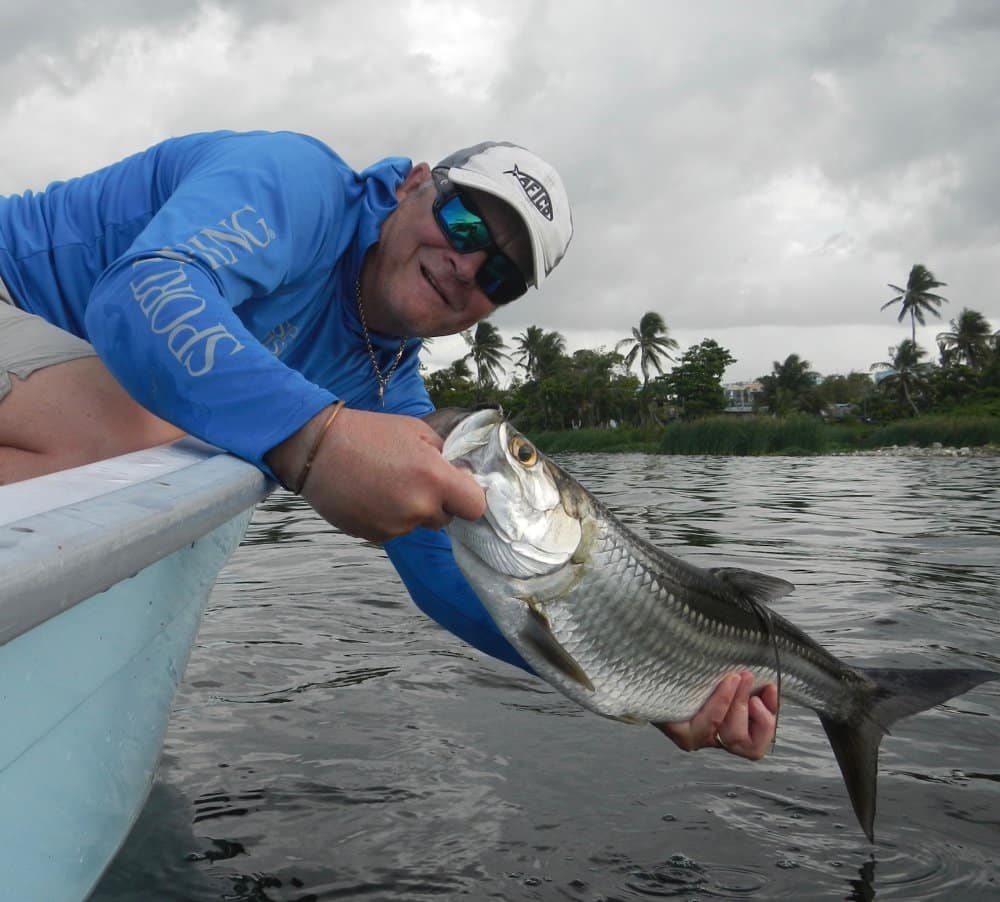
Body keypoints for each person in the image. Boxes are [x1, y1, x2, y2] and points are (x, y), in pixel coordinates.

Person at [0, 130, 777, 758]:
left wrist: (641, 681)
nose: (467, 264)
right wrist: (320, 436)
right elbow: (141, 295)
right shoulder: (296, 183)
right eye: (466, 221)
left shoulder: (391, 388)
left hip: (47, 397)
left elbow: (446, 569)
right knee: (146, 430)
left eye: (500, 277)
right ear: (413, 184)